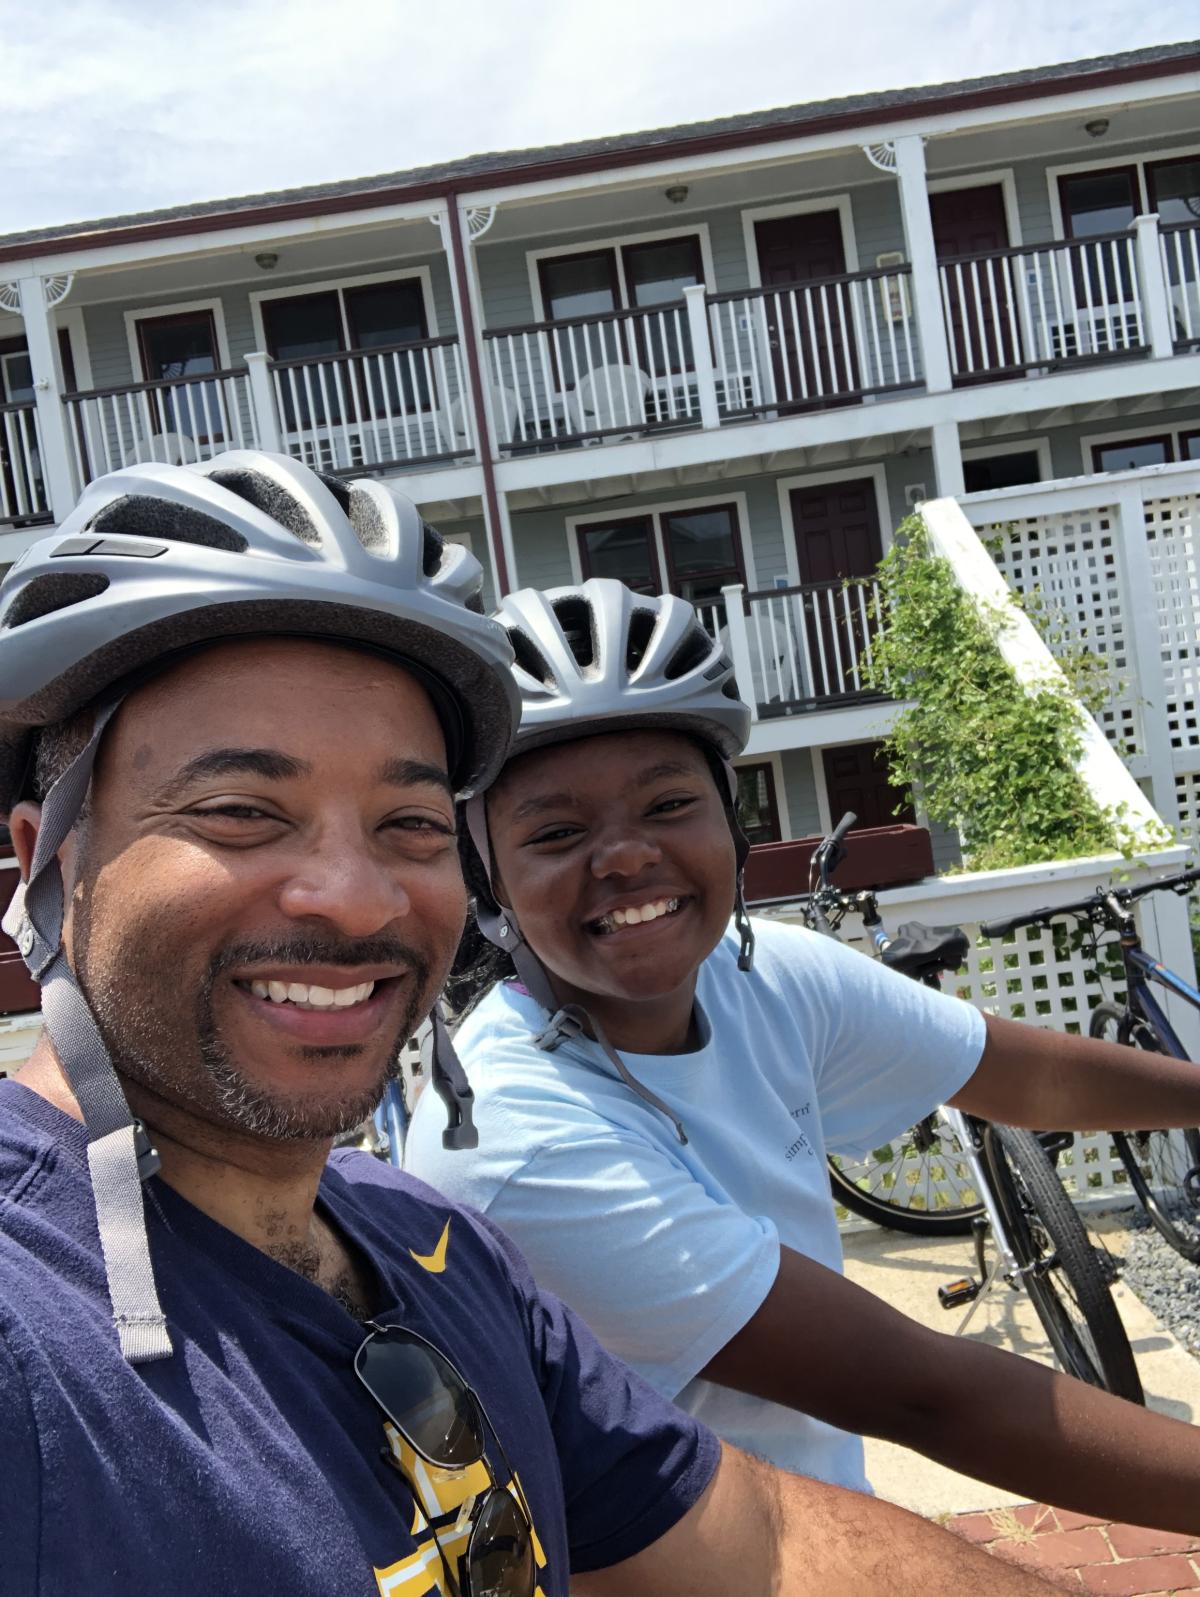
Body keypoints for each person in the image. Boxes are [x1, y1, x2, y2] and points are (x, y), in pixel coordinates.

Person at [0, 455, 1064, 1597]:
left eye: (410, 821)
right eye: (241, 812)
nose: (358, 898)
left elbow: (763, 1542)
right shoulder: (31, 1328)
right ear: (44, 861)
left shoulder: (434, 1250)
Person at [406, 577, 1200, 1535]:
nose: (623, 856)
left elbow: (1023, 1072)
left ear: (731, 829)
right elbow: (922, 1393)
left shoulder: (764, 976)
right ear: (488, 881)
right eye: (558, 831)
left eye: (668, 803)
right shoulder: (512, 1137)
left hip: (822, 1525)